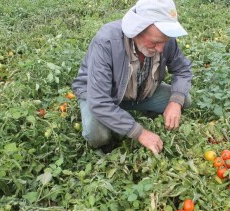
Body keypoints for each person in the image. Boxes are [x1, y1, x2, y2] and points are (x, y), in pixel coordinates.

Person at [71, 0, 193, 155]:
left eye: (164, 42)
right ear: (137, 30)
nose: (161, 48)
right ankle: (112, 130)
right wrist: (139, 132)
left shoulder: (165, 39)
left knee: (183, 99)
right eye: (155, 42)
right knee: (98, 135)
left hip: (140, 91)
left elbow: (182, 69)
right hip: (101, 95)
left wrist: (175, 102)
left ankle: (126, 111)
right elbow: (99, 100)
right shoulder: (107, 41)